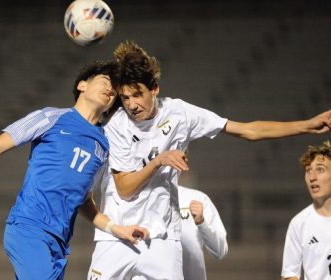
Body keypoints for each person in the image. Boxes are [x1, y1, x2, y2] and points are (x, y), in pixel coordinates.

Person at [87, 41, 331, 280]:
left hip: (161, 239)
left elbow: (248, 131)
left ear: (155, 89)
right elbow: (125, 189)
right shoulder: (117, 123)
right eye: (125, 97)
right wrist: (159, 161)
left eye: (137, 95)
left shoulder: (180, 114)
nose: (131, 105)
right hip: (116, 237)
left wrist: (306, 126)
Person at [0, 61, 149, 280]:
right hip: (29, 228)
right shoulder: (51, 118)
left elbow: (83, 200)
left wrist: (115, 229)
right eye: (104, 81)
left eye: (114, 90)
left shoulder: (104, 145)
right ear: (82, 85)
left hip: (59, 243)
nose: (110, 89)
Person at [281, 140, 331, 280]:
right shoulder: (299, 223)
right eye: (308, 170)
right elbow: (289, 274)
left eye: (320, 170)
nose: (312, 177)